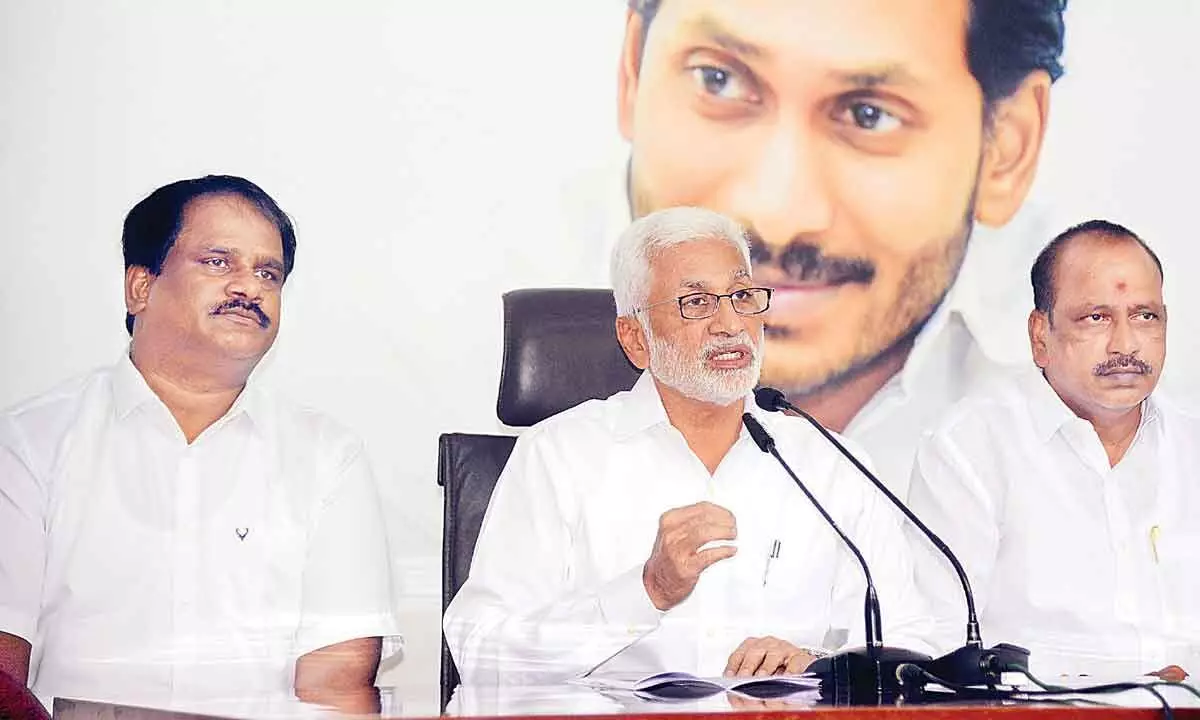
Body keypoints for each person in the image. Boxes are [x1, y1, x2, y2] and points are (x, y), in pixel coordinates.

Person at [560, 0, 1068, 494]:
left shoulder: (1083, 396)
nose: (777, 218)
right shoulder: (494, 335)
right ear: (632, 70)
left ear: (1006, 148)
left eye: (869, 115)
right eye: (718, 80)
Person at [443, 206, 929, 686]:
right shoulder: (559, 456)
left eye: (742, 296)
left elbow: (912, 642)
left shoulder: (829, 465)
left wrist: (820, 663)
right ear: (635, 338)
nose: (731, 324)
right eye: (696, 303)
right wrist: (645, 592)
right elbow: (480, 651)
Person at [0, 175, 398, 712]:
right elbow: (5, 669)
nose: (249, 287)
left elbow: (339, 686)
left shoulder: (328, 456)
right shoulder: (30, 443)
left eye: (268, 273)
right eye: (218, 262)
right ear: (140, 286)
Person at [907, 220, 1197, 681]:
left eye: (1145, 316)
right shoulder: (971, 450)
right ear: (1040, 336)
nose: (1125, 344)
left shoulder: (1191, 445)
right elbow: (940, 649)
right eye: (1096, 318)